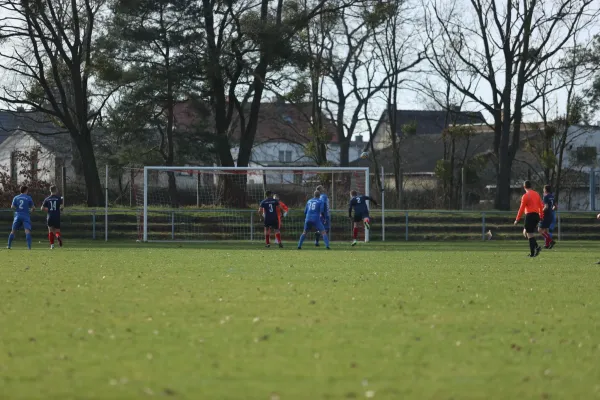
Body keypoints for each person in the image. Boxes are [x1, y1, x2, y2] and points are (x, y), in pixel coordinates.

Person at [514, 180, 544, 257]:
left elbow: (521, 208)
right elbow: (541, 206)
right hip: (536, 216)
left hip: (530, 215)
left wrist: (517, 219)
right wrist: (541, 216)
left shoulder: (525, 196)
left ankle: (532, 253)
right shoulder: (536, 194)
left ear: (524, 187)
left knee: (529, 234)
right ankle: (536, 247)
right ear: (531, 186)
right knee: (527, 233)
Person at [8, 186, 35, 250]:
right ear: (26, 190)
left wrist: (18, 209)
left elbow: (12, 207)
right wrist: (30, 210)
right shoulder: (28, 198)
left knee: (13, 231)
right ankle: (29, 247)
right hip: (26, 216)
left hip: (18, 215)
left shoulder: (16, 197)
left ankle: (9, 246)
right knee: (27, 231)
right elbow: (33, 208)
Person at [538, 185, 556, 249]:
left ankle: (550, 241)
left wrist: (541, 211)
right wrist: (551, 210)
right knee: (545, 230)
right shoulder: (552, 196)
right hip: (551, 215)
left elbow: (546, 207)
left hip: (545, 215)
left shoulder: (545, 197)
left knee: (540, 230)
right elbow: (554, 206)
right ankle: (547, 244)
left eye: (543, 188)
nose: (543, 189)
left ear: (545, 190)